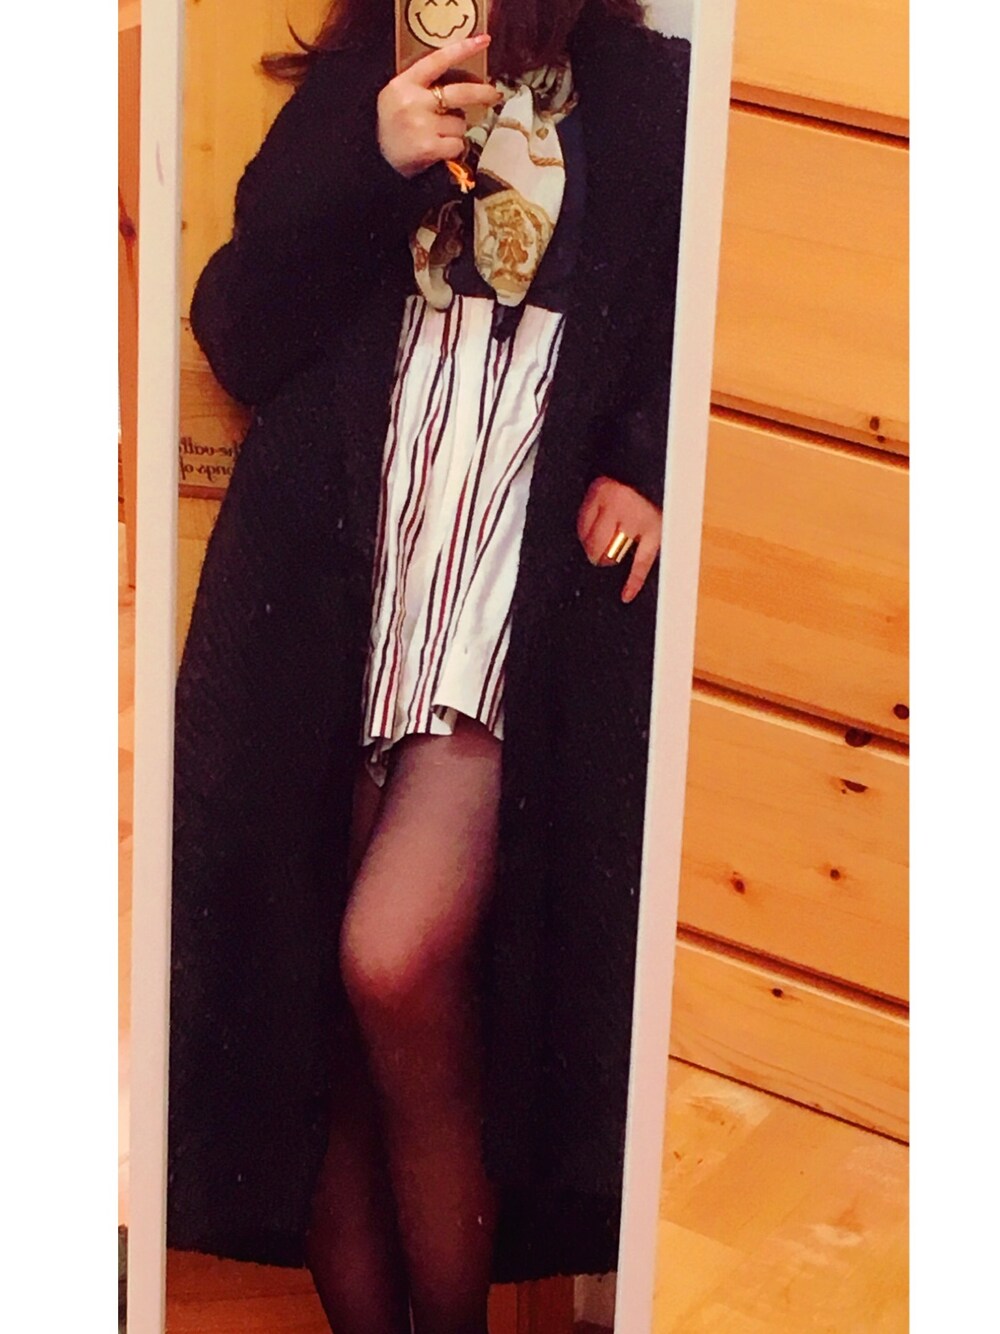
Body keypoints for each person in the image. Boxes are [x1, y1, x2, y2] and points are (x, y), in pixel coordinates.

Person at [166, 1, 690, 1329]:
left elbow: (697, 319)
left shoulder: (652, 95)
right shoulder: (364, 81)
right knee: (322, 1024)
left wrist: (651, 461)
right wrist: (369, 156)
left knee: (393, 957)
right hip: (344, 580)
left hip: (514, 584)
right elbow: (239, 329)